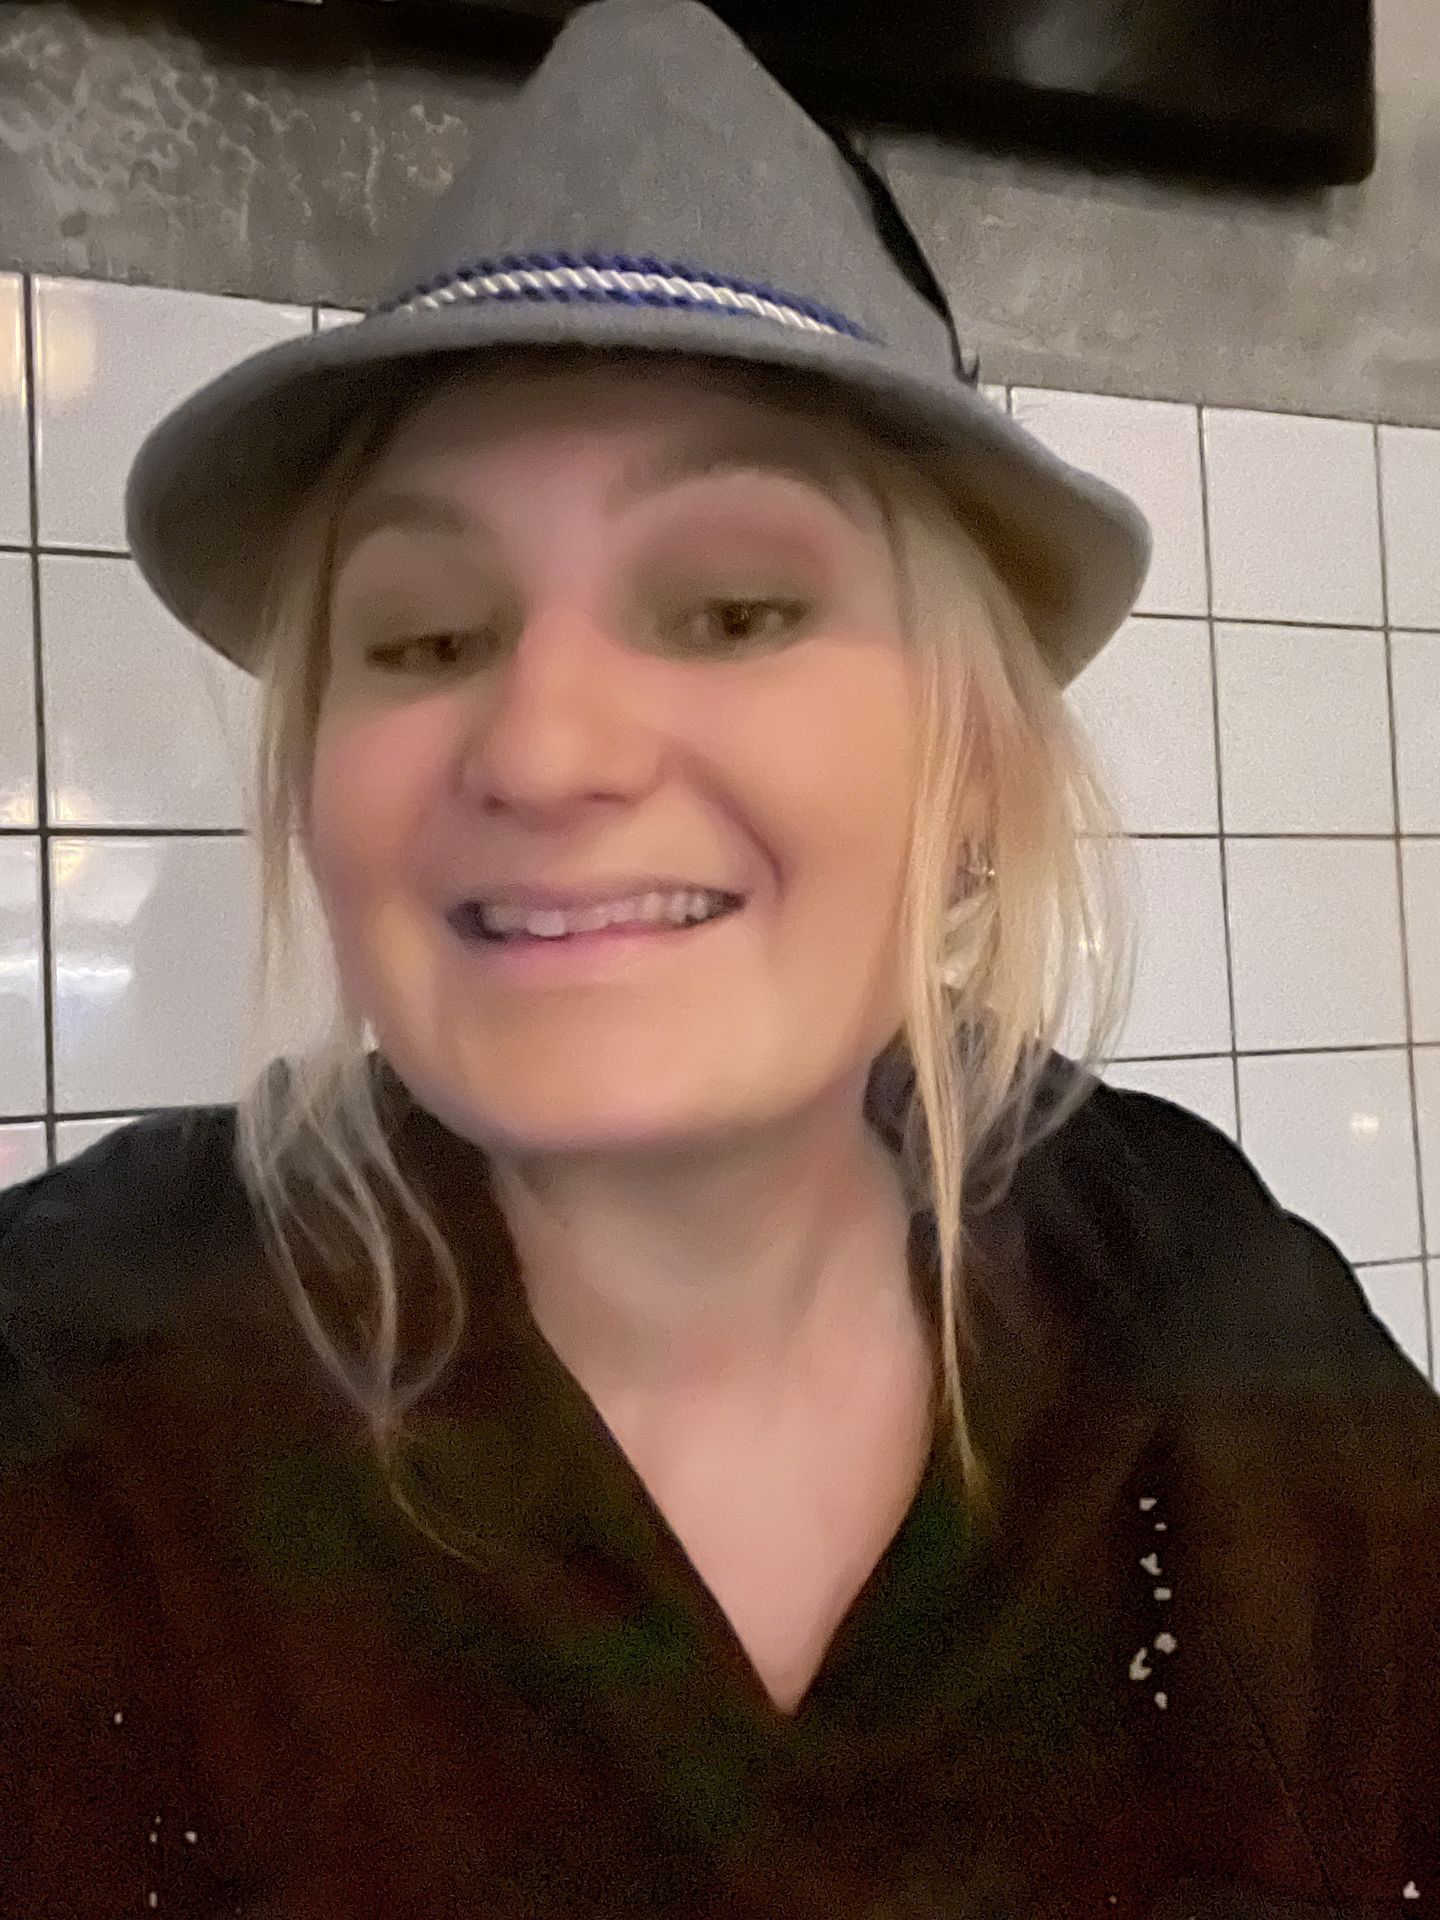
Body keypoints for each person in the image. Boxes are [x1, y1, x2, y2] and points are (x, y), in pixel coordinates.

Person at [2, 3, 1437, 1915]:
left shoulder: (1210, 1309)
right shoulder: (80, 1402)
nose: (542, 751)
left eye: (735, 607)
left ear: (972, 765)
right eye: (424, 639)